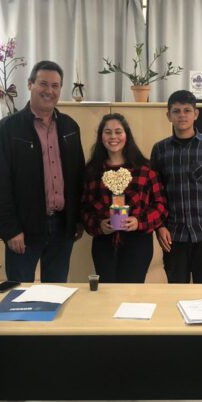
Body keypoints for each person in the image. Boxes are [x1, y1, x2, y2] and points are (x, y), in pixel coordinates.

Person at [0, 60, 85, 283]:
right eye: (43, 84)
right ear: (30, 84)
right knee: (20, 296)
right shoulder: (8, 129)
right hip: (24, 229)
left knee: (56, 294)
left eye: (55, 86)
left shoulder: (70, 127)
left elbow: (77, 176)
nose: (49, 91)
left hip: (62, 227)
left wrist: (77, 219)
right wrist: (10, 229)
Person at [151, 90, 202, 283]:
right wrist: (159, 226)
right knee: (176, 293)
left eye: (187, 110)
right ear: (168, 116)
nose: (182, 115)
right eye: (176, 111)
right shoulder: (160, 150)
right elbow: (155, 194)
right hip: (174, 236)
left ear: (195, 114)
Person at [80, 113, 168, 282]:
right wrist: (99, 226)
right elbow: (84, 209)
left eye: (118, 132)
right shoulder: (92, 171)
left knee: (131, 294)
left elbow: (160, 206)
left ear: (126, 135)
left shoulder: (145, 169)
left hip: (138, 243)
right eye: (107, 132)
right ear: (101, 137)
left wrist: (139, 222)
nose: (113, 136)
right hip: (104, 244)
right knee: (106, 293)